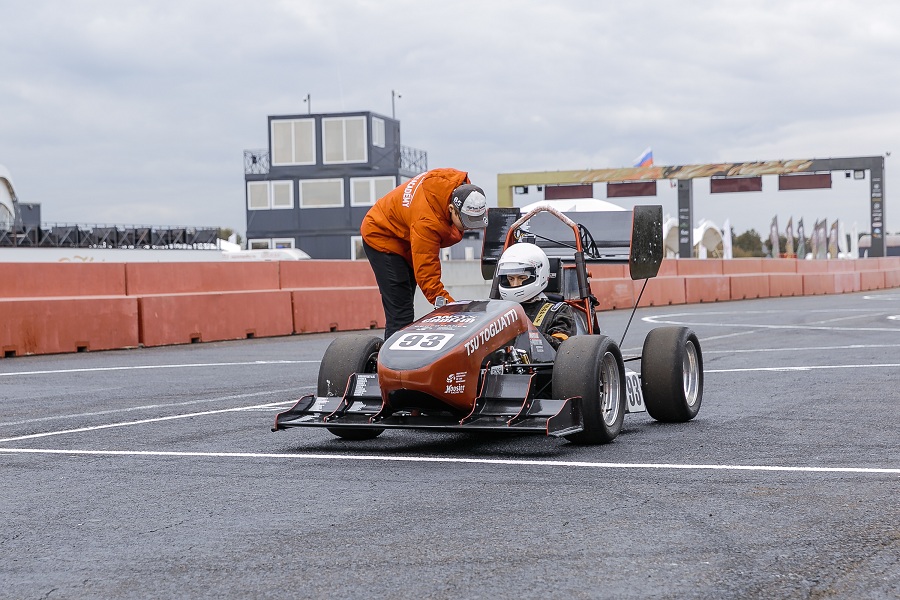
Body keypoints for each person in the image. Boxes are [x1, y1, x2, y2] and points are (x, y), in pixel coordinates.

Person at [361, 168, 488, 339]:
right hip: (383, 236)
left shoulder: (460, 187)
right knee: (402, 313)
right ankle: (394, 363)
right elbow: (427, 276)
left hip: (407, 233)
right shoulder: (427, 221)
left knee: (406, 303)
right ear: (451, 208)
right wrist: (453, 309)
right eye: (466, 221)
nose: (469, 227)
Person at [496, 242, 576, 350]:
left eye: (521, 278)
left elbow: (562, 347)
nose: (515, 284)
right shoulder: (497, 310)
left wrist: (525, 335)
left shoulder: (558, 310)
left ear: (540, 275)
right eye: (511, 279)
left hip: (536, 364)